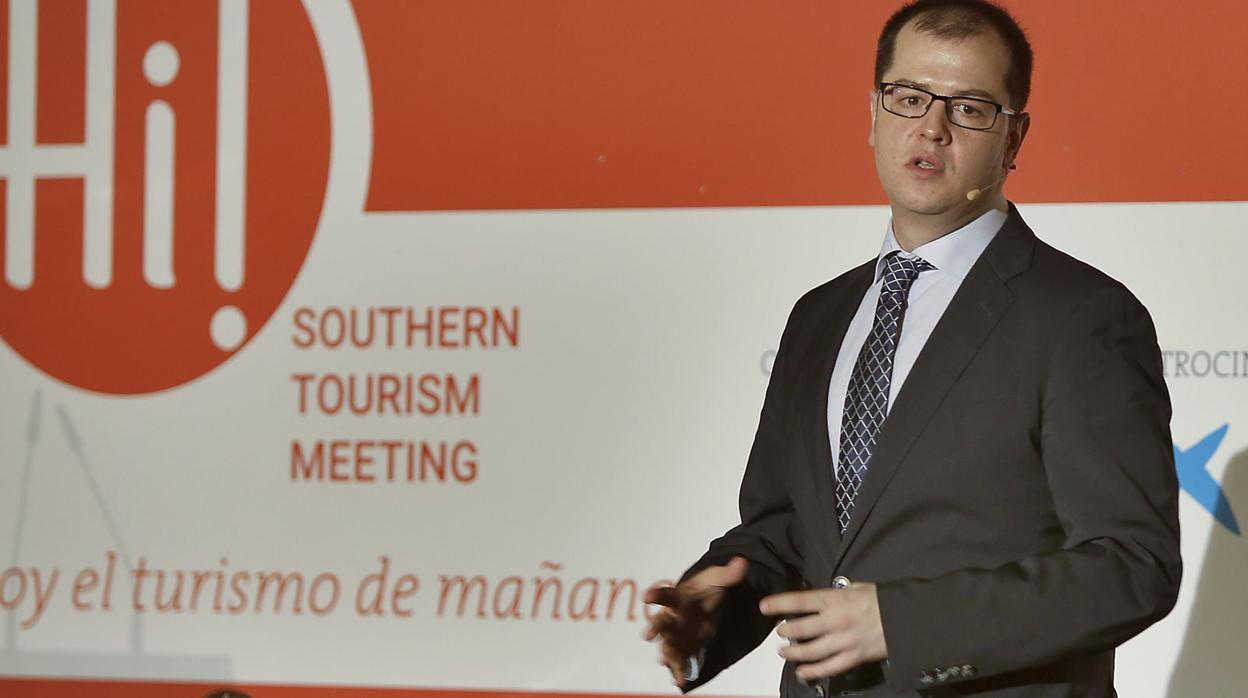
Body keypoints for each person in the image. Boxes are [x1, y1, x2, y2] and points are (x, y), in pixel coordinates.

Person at [641, 1, 1181, 696]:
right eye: (909, 97)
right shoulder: (819, 316)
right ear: (873, 115)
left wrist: (900, 623)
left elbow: (1131, 566)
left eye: (970, 108)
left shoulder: (1083, 317)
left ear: (1015, 138)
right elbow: (786, 530)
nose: (931, 127)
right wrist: (713, 611)